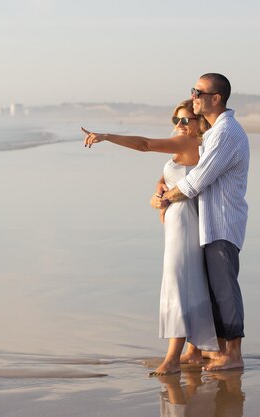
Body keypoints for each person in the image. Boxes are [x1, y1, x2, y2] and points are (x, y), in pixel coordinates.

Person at [82, 99, 219, 376]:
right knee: (188, 282)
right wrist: (158, 191)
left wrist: (107, 136)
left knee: (178, 284)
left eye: (185, 121)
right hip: (178, 222)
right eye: (175, 121)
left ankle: (172, 358)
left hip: (183, 224)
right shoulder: (186, 146)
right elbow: (168, 177)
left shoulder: (188, 143)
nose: (179, 126)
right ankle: (192, 352)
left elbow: (144, 144)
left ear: (198, 125)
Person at [158, 73, 249, 371]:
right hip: (208, 224)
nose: (193, 96)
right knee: (213, 291)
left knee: (225, 290)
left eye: (198, 92)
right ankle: (219, 351)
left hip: (222, 223)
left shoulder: (225, 133)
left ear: (216, 98)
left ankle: (233, 355)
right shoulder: (214, 133)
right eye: (193, 91)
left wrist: (168, 196)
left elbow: (197, 181)